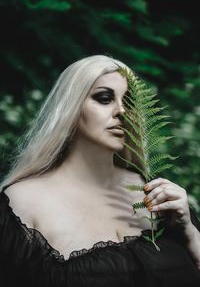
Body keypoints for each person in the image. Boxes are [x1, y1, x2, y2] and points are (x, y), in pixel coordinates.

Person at [0, 55, 200, 287]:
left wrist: (190, 233)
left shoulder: (154, 192)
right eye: (104, 98)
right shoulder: (21, 204)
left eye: (130, 102)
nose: (122, 112)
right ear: (70, 108)